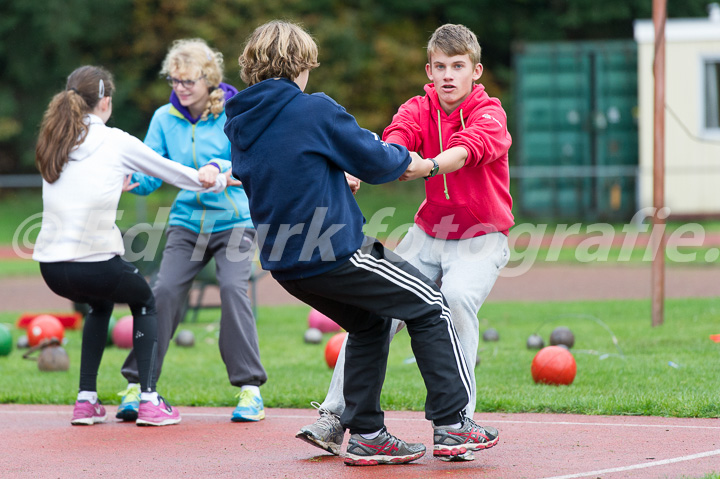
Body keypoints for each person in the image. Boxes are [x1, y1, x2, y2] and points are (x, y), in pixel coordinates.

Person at [224, 20, 498, 466]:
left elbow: (292, 167)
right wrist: (412, 162)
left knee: (370, 324)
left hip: (285, 264)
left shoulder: (239, 123)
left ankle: (368, 434)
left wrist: (331, 173)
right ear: (300, 65)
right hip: (336, 251)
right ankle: (452, 425)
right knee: (430, 305)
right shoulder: (313, 109)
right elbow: (374, 160)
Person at [296, 23, 512, 460]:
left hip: (481, 238)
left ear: (476, 71)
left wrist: (429, 165)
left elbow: (466, 150)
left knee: (453, 300)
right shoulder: (418, 107)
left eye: (458, 66)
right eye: (440, 66)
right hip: (427, 234)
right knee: (374, 310)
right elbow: (394, 141)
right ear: (428, 72)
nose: (448, 75)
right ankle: (335, 417)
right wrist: (362, 168)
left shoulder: (490, 113)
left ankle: (457, 425)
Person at [33, 65, 232, 426]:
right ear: (105, 102)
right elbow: (172, 172)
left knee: (99, 305)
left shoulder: (53, 140)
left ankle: (85, 401)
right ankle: (150, 400)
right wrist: (217, 180)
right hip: (94, 261)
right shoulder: (114, 140)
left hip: (50, 267)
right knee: (146, 302)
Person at [118, 38, 267, 423]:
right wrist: (132, 180)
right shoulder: (164, 118)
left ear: (209, 78)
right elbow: (152, 170)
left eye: (188, 81)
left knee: (234, 290)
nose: (180, 88)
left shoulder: (234, 112)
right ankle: (138, 385)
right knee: (163, 291)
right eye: (175, 80)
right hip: (186, 223)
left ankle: (250, 391)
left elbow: (244, 159)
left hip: (234, 221)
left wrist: (218, 166)